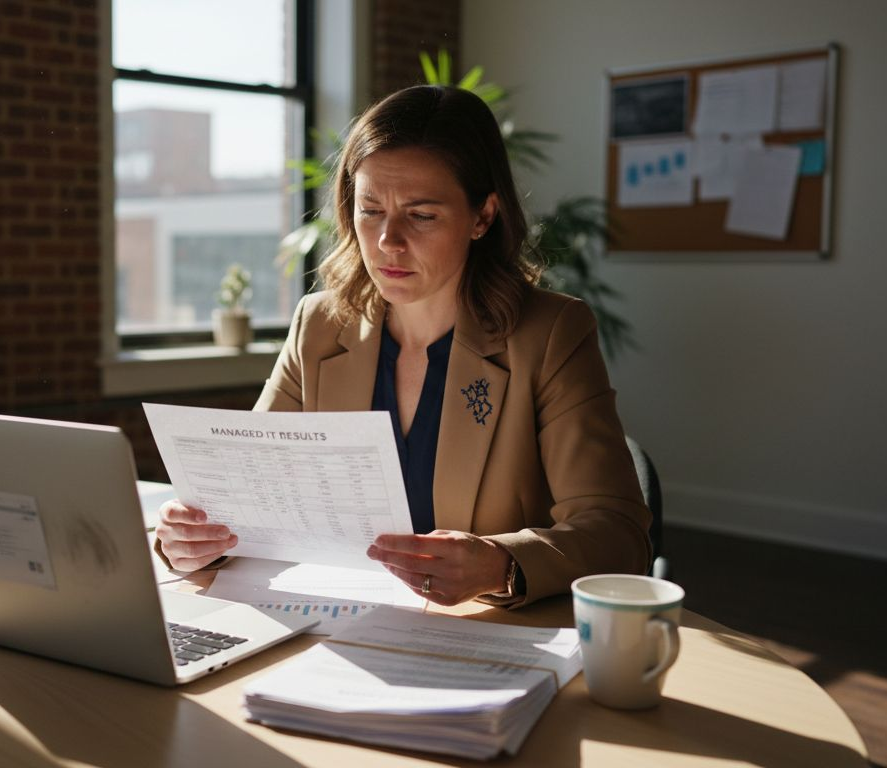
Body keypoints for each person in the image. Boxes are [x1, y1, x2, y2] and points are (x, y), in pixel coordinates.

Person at [156, 84, 651, 608]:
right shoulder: (319, 326)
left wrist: (500, 564)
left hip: (487, 637)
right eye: (371, 210)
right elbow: (250, 504)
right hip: (337, 624)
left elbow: (618, 534)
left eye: (421, 215)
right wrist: (193, 540)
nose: (388, 240)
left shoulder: (551, 333)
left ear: (482, 216)